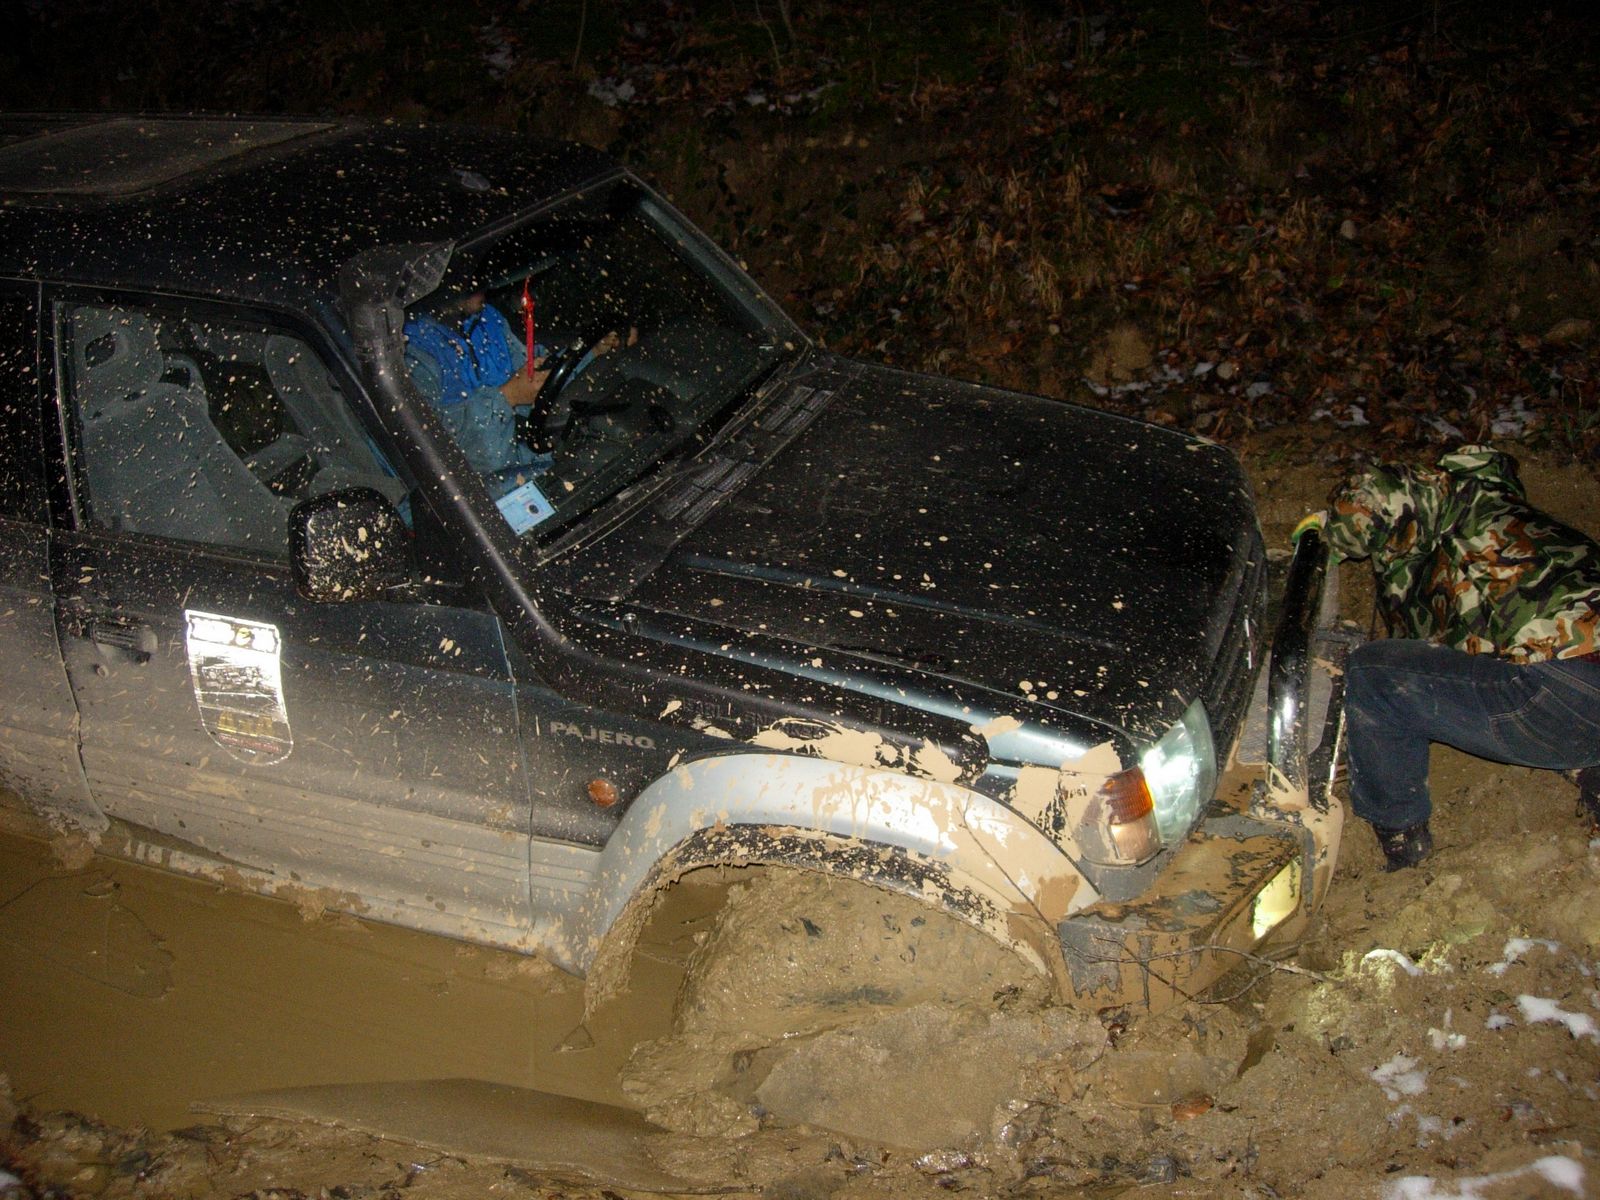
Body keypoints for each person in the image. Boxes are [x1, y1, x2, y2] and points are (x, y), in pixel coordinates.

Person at [1313, 445, 1600, 870]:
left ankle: (1404, 847)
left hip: (1565, 677)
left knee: (1373, 675)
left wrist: (1325, 534)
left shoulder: (1457, 494)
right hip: (1579, 692)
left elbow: (1373, 496)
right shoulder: (1531, 534)